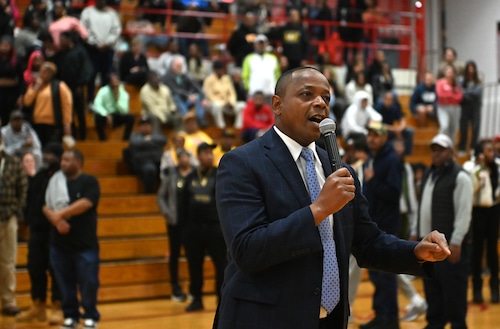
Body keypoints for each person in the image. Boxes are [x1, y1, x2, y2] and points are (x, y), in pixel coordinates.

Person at [213, 66, 451, 329]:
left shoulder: (339, 170)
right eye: (307, 94)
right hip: (263, 320)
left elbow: (367, 242)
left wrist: (415, 251)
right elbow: (247, 249)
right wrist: (318, 210)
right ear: (277, 105)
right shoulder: (242, 163)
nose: (320, 103)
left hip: (328, 321)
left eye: (326, 98)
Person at [413, 133, 473, 329]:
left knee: (454, 293)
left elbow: (464, 212)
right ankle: (435, 324)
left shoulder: (461, 176)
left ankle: (458, 325)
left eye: (441, 150)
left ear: (451, 152)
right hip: (430, 247)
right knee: (433, 290)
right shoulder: (431, 174)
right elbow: (422, 206)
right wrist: (416, 231)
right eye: (434, 150)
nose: (436, 154)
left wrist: (456, 241)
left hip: (450, 248)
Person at [43, 149, 101, 329]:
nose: (63, 163)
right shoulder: (55, 181)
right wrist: (55, 219)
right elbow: (45, 205)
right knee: (64, 283)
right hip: (60, 245)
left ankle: (90, 315)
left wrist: (60, 214)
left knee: (89, 282)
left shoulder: (89, 181)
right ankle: (71, 316)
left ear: (79, 162)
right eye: (62, 160)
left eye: (67, 160)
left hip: (85, 245)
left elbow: (86, 203)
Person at [16, 142, 64, 325]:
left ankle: (57, 306)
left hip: (55, 231)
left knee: (55, 269)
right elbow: (29, 201)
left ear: (59, 158)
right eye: (45, 153)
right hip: (36, 231)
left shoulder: (62, 178)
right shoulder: (38, 177)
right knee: (35, 267)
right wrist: (27, 221)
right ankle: (38, 305)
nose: (46, 157)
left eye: (51, 155)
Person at [360, 121, 402, 329]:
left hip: (386, 225)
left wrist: (373, 181)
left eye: (376, 135)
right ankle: (380, 315)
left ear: (384, 137)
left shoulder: (391, 159)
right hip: (374, 224)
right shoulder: (374, 158)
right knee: (376, 273)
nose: (371, 138)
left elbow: (394, 194)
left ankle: (390, 319)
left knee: (386, 276)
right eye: (369, 135)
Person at [180, 142, 227, 312]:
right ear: (198, 156)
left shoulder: (220, 174)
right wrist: (184, 230)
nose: (209, 156)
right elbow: (183, 205)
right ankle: (196, 297)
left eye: (211, 153)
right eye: (206, 153)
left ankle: (222, 299)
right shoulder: (191, 177)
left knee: (221, 265)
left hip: (215, 228)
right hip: (194, 228)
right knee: (194, 265)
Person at [392, 139, 427, 322]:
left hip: (400, 217)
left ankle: (415, 298)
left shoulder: (405, 168)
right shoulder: (389, 165)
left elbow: (411, 197)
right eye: (396, 146)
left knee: (391, 260)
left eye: (401, 146)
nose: (399, 149)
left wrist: (414, 225)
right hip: (392, 215)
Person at [464, 140, 500, 304]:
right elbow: (472, 190)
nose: (491, 153)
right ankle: (477, 289)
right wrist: (479, 169)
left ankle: (495, 288)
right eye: (488, 150)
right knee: (477, 250)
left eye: (492, 150)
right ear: (480, 153)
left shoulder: (498, 166)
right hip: (478, 211)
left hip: (494, 211)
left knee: (493, 250)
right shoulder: (472, 168)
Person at [157, 149, 194, 302]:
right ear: (178, 159)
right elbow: (160, 196)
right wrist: (167, 213)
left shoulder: (195, 175)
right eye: (181, 157)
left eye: (186, 157)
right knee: (175, 255)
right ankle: (175, 287)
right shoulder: (171, 175)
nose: (184, 159)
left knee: (193, 256)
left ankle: (194, 288)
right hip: (175, 222)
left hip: (192, 223)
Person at [0, 129, 28, 316]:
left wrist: (15, 211)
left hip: (7, 216)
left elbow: (23, 190)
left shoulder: (13, 163)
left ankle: (8, 301)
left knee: (8, 261)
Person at [22, 61, 74, 147]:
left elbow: (67, 105)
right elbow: (27, 102)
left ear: (52, 74)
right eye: (42, 71)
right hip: (36, 124)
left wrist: (67, 124)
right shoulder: (34, 86)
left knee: (51, 150)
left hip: (53, 125)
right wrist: (36, 88)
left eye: (47, 71)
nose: (43, 74)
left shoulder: (59, 86)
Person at [80, 0, 121, 106]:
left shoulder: (112, 14)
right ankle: (90, 101)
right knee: (91, 75)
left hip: (107, 50)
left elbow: (116, 31)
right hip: (92, 50)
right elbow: (84, 30)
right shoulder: (87, 12)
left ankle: (104, 103)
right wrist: (95, 43)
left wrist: (106, 43)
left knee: (107, 77)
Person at [57, 31, 93, 141]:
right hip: (65, 88)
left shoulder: (80, 51)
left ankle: (83, 138)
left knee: (80, 113)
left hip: (77, 87)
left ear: (69, 39)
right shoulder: (61, 53)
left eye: (63, 39)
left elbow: (87, 68)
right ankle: (72, 137)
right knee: (68, 114)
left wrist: (81, 84)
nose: (61, 41)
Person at [123, 115, 166, 193]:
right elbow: (135, 143)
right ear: (139, 127)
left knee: (171, 170)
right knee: (150, 169)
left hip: (159, 161)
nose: (145, 127)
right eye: (143, 125)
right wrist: (152, 143)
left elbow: (163, 140)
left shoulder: (156, 135)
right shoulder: (134, 136)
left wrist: (147, 141)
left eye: (147, 125)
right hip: (143, 163)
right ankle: (149, 193)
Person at [162, 57, 208, 127]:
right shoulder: (167, 76)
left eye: (181, 66)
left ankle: (200, 118)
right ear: (172, 66)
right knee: (176, 97)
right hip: (174, 103)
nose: (179, 68)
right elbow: (174, 90)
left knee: (198, 97)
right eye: (177, 66)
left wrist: (203, 97)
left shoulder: (183, 75)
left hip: (186, 100)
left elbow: (195, 85)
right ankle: (187, 118)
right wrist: (188, 95)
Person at [92, 73, 136, 141]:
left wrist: (117, 100)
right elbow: (96, 105)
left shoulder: (123, 93)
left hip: (118, 115)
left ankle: (125, 140)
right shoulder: (103, 91)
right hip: (107, 115)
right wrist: (106, 114)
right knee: (97, 117)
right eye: (113, 84)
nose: (115, 86)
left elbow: (124, 110)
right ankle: (103, 140)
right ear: (109, 83)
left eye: (116, 83)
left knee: (131, 117)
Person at [241, 34, 280, 104]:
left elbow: (277, 75)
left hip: (270, 93)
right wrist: (246, 89)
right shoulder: (249, 58)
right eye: (259, 44)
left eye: (263, 44)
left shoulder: (273, 58)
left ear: (266, 44)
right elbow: (245, 76)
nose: (261, 46)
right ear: (255, 45)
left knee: (270, 114)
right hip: (254, 93)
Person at [202, 60, 241, 129]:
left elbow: (232, 93)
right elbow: (209, 95)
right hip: (214, 103)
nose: (220, 71)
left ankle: (238, 128)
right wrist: (224, 103)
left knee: (242, 106)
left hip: (228, 103)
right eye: (218, 69)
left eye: (221, 69)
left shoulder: (226, 78)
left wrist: (231, 102)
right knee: (217, 106)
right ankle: (221, 127)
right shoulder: (208, 80)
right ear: (214, 70)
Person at [374, 91, 414, 156]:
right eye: (388, 99)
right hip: (383, 131)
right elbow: (378, 124)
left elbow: (402, 120)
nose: (390, 102)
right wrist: (395, 129)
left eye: (391, 100)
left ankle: (407, 154)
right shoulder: (378, 108)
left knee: (410, 131)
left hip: (394, 130)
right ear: (384, 99)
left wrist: (400, 128)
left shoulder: (394, 108)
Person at [458, 60, 482, 157]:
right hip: (465, 106)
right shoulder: (461, 80)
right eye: (469, 68)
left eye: (472, 68)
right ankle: (462, 148)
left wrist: (466, 92)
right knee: (463, 127)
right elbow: (459, 93)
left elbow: (477, 93)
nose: (471, 70)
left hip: (475, 107)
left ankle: (473, 148)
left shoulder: (478, 80)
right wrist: (468, 93)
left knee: (475, 127)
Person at [436, 64, 463, 143]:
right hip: (443, 107)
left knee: (453, 129)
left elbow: (459, 97)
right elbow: (441, 95)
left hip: (455, 108)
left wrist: (449, 96)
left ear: (454, 73)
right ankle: (439, 144)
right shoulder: (440, 82)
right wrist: (452, 96)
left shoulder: (456, 85)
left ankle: (450, 147)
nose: (449, 73)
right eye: (448, 71)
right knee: (444, 126)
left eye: (451, 71)